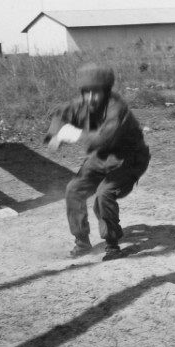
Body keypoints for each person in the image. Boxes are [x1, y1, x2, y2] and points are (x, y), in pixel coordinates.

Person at [44, 62, 151, 261]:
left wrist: (73, 134)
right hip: (101, 157)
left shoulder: (117, 109)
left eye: (96, 92)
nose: (91, 97)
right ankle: (82, 243)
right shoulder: (82, 104)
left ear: (106, 91)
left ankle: (112, 245)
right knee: (74, 190)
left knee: (104, 194)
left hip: (128, 159)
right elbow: (61, 115)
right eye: (86, 92)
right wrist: (54, 135)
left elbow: (104, 138)